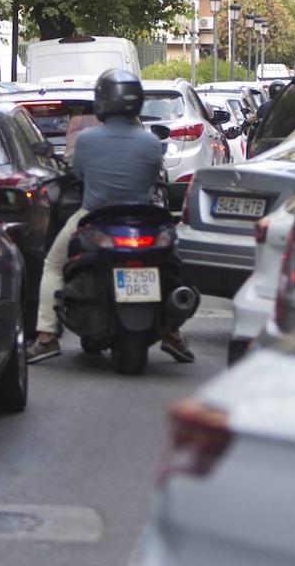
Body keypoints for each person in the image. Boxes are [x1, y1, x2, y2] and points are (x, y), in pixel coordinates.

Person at [26, 69, 196, 364]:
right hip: (146, 220)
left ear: (102, 101)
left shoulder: (88, 140)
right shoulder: (150, 142)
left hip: (94, 216)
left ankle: (46, 337)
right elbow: (153, 177)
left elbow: (78, 173)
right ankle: (173, 333)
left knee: (53, 265)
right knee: (173, 264)